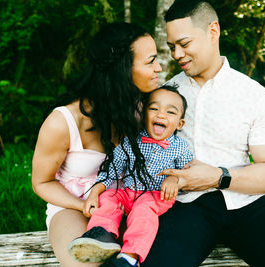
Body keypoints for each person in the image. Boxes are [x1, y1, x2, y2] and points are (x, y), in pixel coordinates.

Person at [142, 1, 265, 267]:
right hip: (183, 205)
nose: (177, 54)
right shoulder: (165, 95)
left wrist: (218, 176)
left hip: (246, 201)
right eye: (172, 46)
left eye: (184, 44)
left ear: (213, 31)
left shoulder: (254, 96)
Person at [31, 22, 162, 267]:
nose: (159, 67)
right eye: (150, 61)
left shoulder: (147, 109)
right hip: (75, 207)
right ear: (121, 68)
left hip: (132, 202)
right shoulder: (64, 122)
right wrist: (83, 205)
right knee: (87, 260)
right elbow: (41, 182)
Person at [68, 85, 194, 267]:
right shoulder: (131, 141)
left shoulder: (180, 148)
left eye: (170, 112)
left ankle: (130, 257)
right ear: (144, 116)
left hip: (156, 195)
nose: (161, 115)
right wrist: (95, 192)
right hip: (128, 192)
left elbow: (188, 171)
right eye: (154, 108)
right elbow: (112, 167)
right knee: (109, 197)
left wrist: (174, 179)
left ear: (180, 124)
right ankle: (102, 234)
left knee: (144, 212)